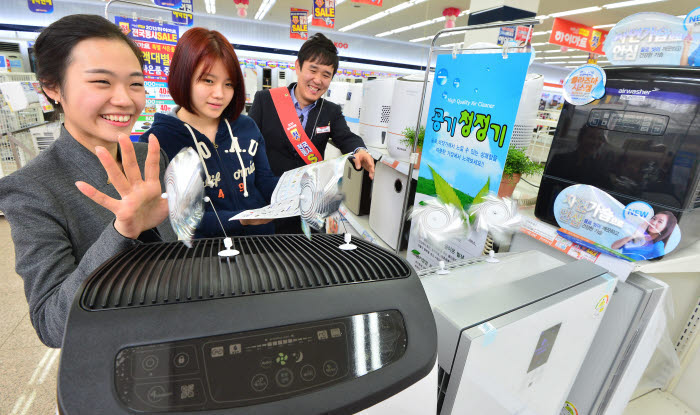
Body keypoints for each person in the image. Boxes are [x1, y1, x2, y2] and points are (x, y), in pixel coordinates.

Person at [0, 15, 176, 348]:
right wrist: (121, 232)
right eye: (101, 82)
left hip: (178, 332)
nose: (125, 99)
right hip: (115, 353)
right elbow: (51, 324)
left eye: (135, 83)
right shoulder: (30, 189)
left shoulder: (148, 157)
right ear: (53, 87)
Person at [140, 28, 279, 237]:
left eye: (229, 84)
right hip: (204, 258)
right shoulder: (158, 142)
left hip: (262, 245)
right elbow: (179, 217)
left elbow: (265, 181)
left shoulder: (246, 127)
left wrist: (297, 188)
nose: (220, 94)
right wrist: (241, 219)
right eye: (208, 81)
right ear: (183, 76)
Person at [249, 33, 374, 233]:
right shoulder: (266, 100)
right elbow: (248, 145)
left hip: (307, 204)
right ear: (298, 67)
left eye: (326, 75)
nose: (317, 80)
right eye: (312, 70)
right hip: (267, 201)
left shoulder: (331, 111)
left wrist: (359, 149)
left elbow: (346, 136)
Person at [611, 211, 678, 261]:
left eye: (660, 222)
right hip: (616, 263)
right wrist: (633, 236)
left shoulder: (658, 245)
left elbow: (658, 262)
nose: (653, 222)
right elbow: (613, 246)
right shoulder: (640, 235)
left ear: (666, 227)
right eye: (654, 218)